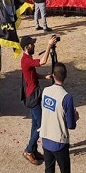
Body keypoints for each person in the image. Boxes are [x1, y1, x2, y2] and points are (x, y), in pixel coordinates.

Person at [40, 62, 78, 173]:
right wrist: (75, 117)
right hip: (59, 142)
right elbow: (71, 125)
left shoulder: (45, 92)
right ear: (65, 77)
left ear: (53, 75)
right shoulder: (67, 97)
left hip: (45, 139)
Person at [20, 35, 58, 165]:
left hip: (33, 95)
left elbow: (32, 75)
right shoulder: (26, 60)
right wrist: (48, 46)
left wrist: (44, 77)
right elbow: (42, 62)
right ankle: (29, 150)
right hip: (33, 97)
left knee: (35, 125)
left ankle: (34, 149)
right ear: (27, 47)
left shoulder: (27, 59)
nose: (34, 46)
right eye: (32, 44)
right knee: (41, 126)